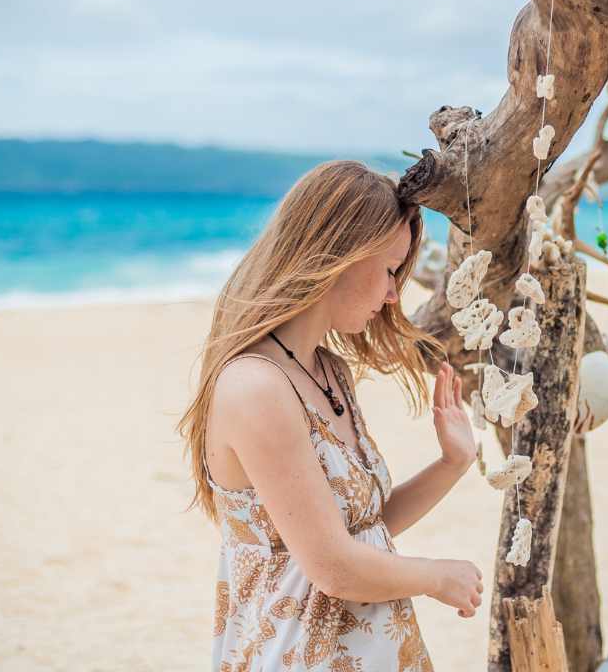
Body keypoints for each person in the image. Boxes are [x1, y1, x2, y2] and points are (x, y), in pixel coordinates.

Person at [177, 160, 483, 671]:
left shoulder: (329, 371)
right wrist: (434, 576)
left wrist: (451, 463)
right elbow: (333, 568)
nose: (392, 295)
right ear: (341, 255)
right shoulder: (256, 387)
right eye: (389, 270)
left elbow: (364, 532)